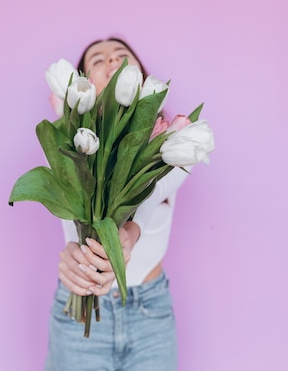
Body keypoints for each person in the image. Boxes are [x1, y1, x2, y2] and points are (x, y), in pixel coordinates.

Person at [45, 37, 192, 371]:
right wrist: (72, 257)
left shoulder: (176, 142)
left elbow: (150, 195)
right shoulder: (62, 144)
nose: (112, 61)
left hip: (149, 313)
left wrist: (128, 235)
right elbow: (79, 210)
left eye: (122, 56)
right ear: (81, 84)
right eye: (97, 60)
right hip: (78, 310)